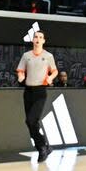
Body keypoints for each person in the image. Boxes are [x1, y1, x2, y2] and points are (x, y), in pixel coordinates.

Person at [16, 30, 57, 162]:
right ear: (32, 40)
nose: (38, 39)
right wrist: (20, 76)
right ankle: (44, 147)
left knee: (31, 120)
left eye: (40, 37)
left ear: (44, 41)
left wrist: (50, 77)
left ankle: (42, 146)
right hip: (28, 91)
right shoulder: (26, 55)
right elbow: (20, 70)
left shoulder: (48, 56)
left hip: (40, 92)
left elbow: (55, 70)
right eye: (36, 37)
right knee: (31, 123)